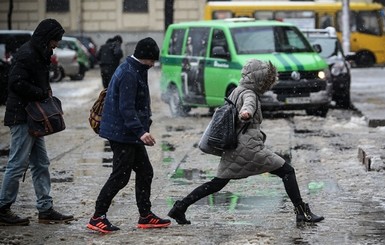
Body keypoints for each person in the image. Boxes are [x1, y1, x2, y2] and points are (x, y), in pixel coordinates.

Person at [168, 59, 325, 225]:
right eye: (266, 80)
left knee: (216, 184)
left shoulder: (237, 90)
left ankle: (180, 207)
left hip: (235, 145)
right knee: (287, 171)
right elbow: (247, 107)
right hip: (249, 147)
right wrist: (246, 113)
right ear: (260, 80)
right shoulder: (249, 94)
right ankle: (302, 212)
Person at [87, 37, 171, 233]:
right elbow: (126, 109)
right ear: (145, 57)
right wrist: (141, 132)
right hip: (122, 134)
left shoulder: (136, 70)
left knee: (145, 172)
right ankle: (97, 216)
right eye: (152, 60)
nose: (153, 64)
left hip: (129, 133)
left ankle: (145, 215)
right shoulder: (129, 73)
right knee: (120, 176)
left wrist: (143, 125)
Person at [0, 19, 74, 226]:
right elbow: (15, 83)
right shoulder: (27, 54)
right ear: (46, 38)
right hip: (22, 117)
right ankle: (3, 207)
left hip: (33, 118)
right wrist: (40, 94)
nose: (57, 44)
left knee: (41, 163)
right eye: (55, 40)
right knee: (17, 163)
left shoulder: (39, 52)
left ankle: (45, 208)